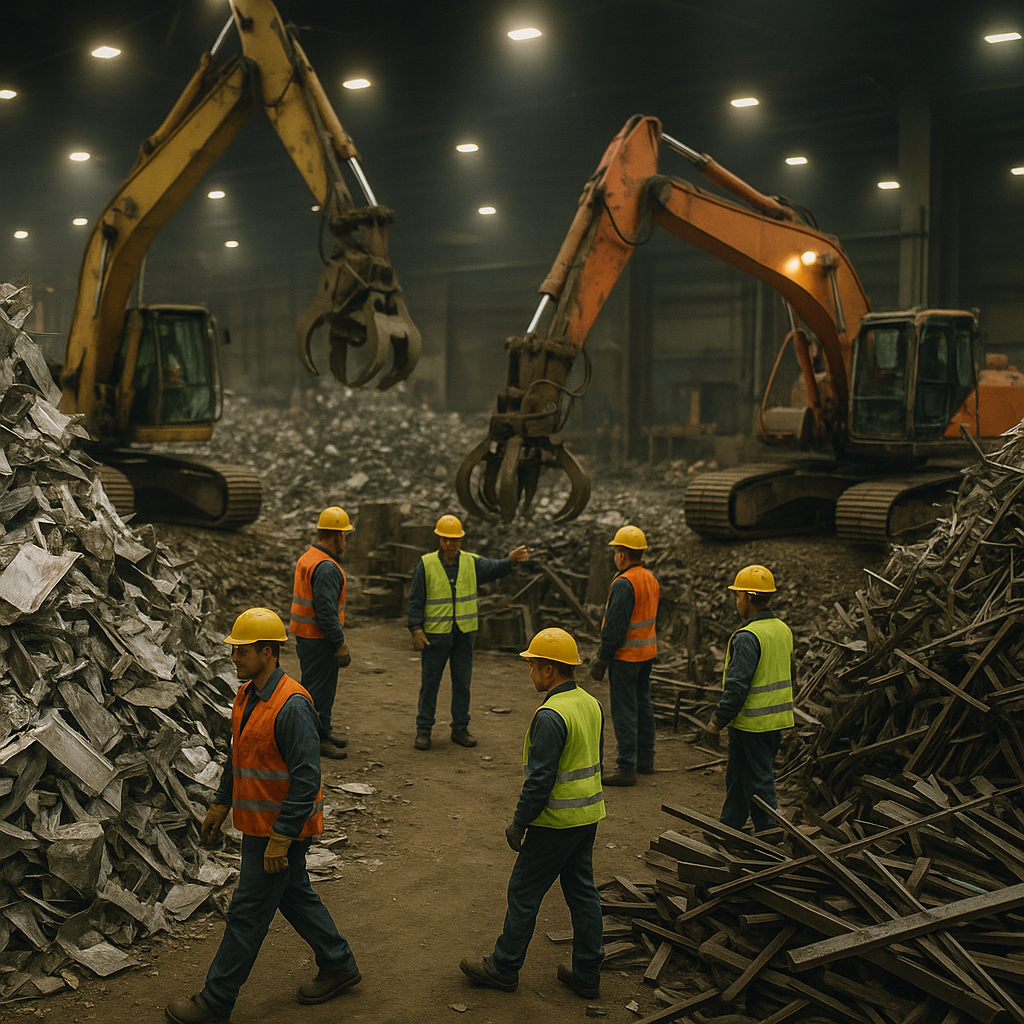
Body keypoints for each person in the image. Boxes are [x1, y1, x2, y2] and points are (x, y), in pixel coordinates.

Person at [165, 608, 360, 1024]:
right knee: (292, 894)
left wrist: (283, 836)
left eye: (241, 651)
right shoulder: (248, 694)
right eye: (234, 651)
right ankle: (339, 963)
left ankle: (215, 1002)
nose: (233, 658)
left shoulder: (292, 706)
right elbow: (240, 756)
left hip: (281, 829)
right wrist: (221, 803)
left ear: (268, 653)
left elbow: (307, 780)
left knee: (247, 913)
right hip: (261, 826)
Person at [459, 628, 605, 999]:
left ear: (549, 670)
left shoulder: (551, 715)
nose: (530, 674)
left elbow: (540, 780)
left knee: (524, 891)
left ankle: (504, 966)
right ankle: (587, 972)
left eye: (532, 667)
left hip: (554, 822)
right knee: (583, 893)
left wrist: (519, 822)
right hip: (587, 815)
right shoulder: (590, 703)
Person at [408, 513, 529, 750]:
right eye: (446, 540)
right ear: (439, 540)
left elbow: (494, 568)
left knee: (462, 683)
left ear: (460, 541)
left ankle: (460, 728)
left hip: (464, 634)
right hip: (436, 635)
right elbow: (415, 599)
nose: (451, 544)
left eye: (455, 540)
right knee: (430, 683)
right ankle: (424, 730)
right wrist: (415, 628)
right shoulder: (427, 564)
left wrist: (511, 560)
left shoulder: (471, 562)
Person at [704, 564, 794, 833]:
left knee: (758, 778)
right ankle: (731, 823)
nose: (736, 601)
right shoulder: (781, 629)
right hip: (775, 720)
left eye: (737, 596)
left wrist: (718, 719)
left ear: (746, 597)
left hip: (753, 722)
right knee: (739, 775)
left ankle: (769, 831)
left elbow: (738, 685)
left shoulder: (748, 637)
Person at [590, 525, 660, 787]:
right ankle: (645, 759)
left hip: (626, 656)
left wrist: (602, 658)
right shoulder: (650, 578)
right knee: (643, 705)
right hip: (646, 654)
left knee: (624, 710)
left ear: (622, 554)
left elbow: (615, 627)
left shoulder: (624, 583)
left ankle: (626, 767)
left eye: (616, 551)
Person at [289, 506, 354, 759]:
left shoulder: (309, 557)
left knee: (318, 689)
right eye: (345, 536)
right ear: (338, 536)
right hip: (319, 639)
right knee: (318, 692)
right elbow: (326, 612)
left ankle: (323, 732)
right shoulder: (326, 567)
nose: (345, 541)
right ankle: (313, 740)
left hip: (307, 636)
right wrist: (340, 643)